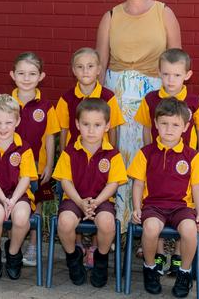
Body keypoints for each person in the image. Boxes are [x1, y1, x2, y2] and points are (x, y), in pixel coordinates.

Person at [96, 0, 181, 230]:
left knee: (151, 159)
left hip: (153, 95)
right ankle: (115, 225)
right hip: (117, 94)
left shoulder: (164, 13)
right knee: (116, 157)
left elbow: (176, 60)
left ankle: (148, 226)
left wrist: (171, 104)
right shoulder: (111, 16)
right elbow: (100, 64)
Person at [128, 97, 199, 297]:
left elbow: (198, 187)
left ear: (185, 127)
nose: (169, 129)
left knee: (190, 229)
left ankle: (184, 272)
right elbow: (138, 184)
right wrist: (137, 207)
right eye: (164, 123)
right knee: (150, 228)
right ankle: (150, 269)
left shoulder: (192, 156)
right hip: (154, 206)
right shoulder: (145, 153)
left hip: (181, 207)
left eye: (175, 125)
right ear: (155, 124)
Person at [53, 98, 127, 288]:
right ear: (77, 124)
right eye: (86, 124)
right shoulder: (69, 152)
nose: (91, 130)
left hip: (102, 200)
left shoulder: (113, 154)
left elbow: (113, 184)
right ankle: (73, 257)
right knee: (65, 222)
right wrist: (80, 202)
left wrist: (95, 202)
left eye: (97, 125)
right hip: (75, 198)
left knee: (107, 222)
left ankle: (101, 259)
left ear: (107, 126)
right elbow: (65, 181)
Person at [0, 94, 37, 281]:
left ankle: (13, 253)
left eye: (8, 122)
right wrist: (4, 200)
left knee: (21, 217)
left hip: (18, 194)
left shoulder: (24, 148)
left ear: (17, 121)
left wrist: (12, 200)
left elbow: (26, 178)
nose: (3, 128)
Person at [9, 52, 60, 266]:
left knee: (36, 206)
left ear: (41, 76)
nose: (26, 78)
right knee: (14, 205)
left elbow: (50, 138)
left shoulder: (47, 107)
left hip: (38, 169)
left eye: (32, 74)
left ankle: (33, 247)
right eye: (21, 73)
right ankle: (14, 246)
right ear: (12, 75)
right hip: (10, 169)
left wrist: (48, 165)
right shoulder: (6, 104)